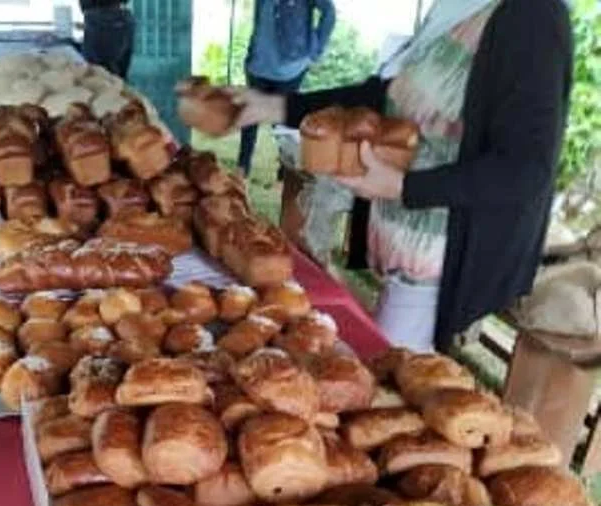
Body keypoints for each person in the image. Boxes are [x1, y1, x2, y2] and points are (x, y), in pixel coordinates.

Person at [235, 0, 573, 353]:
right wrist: (272, 106)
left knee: (384, 370)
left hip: (441, 266)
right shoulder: (457, 7)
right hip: (401, 250)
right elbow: (389, 97)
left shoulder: (534, 16)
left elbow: (526, 169)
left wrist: (402, 186)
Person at [238, 0, 336, 178]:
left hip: (290, 69)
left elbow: (329, 12)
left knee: (284, 122)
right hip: (258, 64)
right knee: (249, 116)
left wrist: (316, 50)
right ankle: (242, 170)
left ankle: (286, 171)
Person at [80, 0, 135, 81]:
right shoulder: (127, 20)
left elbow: (84, 6)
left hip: (97, 18)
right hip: (119, 18)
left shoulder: (93, 18)